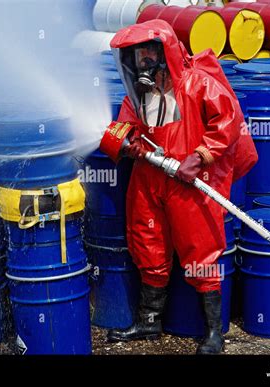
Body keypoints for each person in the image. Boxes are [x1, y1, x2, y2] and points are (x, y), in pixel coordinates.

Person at [104, 20, 258, 354]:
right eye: (135, 54)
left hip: (190, 183)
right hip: (149, 179)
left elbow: (228, 122)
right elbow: (121, 127)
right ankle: (149, 321)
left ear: (165, 51)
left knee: (201, 247)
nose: (142, 60)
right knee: (148, 243)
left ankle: (214, 331)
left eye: (147, 52)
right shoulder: (139, 93)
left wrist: (200, 157)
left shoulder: (198, 84)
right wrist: (126, 142)